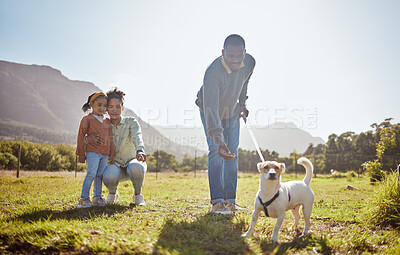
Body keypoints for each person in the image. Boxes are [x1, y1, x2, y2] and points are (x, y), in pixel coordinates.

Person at [195, 34, 256, 214]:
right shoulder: (213, 73)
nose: (235, 60)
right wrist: (219, 138)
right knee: (216, 151)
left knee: (233, 153)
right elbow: (211, 107)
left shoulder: (250, 62)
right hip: (209, 110)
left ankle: (230, 201)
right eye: (230, 56)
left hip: (231, 111)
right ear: (223, 53)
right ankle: (217, 202)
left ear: (245, 53)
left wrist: (242, 104)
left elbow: (245, 82)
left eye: (239, 56)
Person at [87, 88, 147, 206]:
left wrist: (140, 150)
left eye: (118, 107)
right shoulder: (103, 124)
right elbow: (90, 135)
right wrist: (87, 139)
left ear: (122, 108)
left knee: (136, 167)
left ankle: (137, 195)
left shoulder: (131, 122)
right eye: (110, 106)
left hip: (132, 161)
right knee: (108, 176)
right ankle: (113, 193)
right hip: (115, 164)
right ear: (106, 108)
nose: (114, 110)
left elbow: (137, 136)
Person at [76, 92, 115, 208]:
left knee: (100, 175)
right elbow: (81, 136)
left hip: (104, 154)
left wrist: (112, 153)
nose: (102, 108)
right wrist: (81, 153)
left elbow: (110, 138)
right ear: (91, 104)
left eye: (104, 106)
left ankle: (97, 197)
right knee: (91, 174)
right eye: (99, 105)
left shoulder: (107, 121)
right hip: (92, 152)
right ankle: (84, 198)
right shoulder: (87, 119)